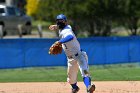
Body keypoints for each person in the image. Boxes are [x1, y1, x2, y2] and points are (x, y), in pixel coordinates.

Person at [49, 14, 95, 93]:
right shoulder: (64, 28)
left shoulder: (67, 30)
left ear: (65, 22)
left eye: (62, 21)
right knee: (71, 79)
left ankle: (88, 87)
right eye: (59, 21)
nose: (61, 23)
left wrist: (60, 42)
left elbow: (70, 36)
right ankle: (75, 88)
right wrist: (55, 26)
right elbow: (60, 26)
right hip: (70, 59)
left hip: (80, 56)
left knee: (85, 73)